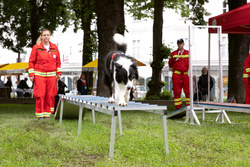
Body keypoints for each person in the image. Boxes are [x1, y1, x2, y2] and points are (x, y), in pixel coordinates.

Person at [28, 28, 62, 119]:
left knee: (50, 95)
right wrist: (31, 75)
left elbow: (58, 62)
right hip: (39, 75)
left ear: (50, 36)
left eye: (48, 35)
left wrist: (59, 73)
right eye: (44, 35)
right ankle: (39, 115)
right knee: (40, 95)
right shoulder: (36, 47)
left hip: (51, 76)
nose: (46, 37)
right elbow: (31, 62)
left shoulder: (54, 48)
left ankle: (47, 115)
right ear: (41, 36)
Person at [168, 38, 190, 110]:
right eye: (178, 43)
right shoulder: (173, 54)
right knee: (177, 92)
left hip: (185, 75)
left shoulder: (187, 53)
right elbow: (170, 64)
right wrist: (174, 72)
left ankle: (189, 107)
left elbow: (190, 63)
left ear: (183, 44)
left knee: (188, 91)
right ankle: (178, 108)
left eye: (181, 43)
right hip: (177, 75)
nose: (179, 45)